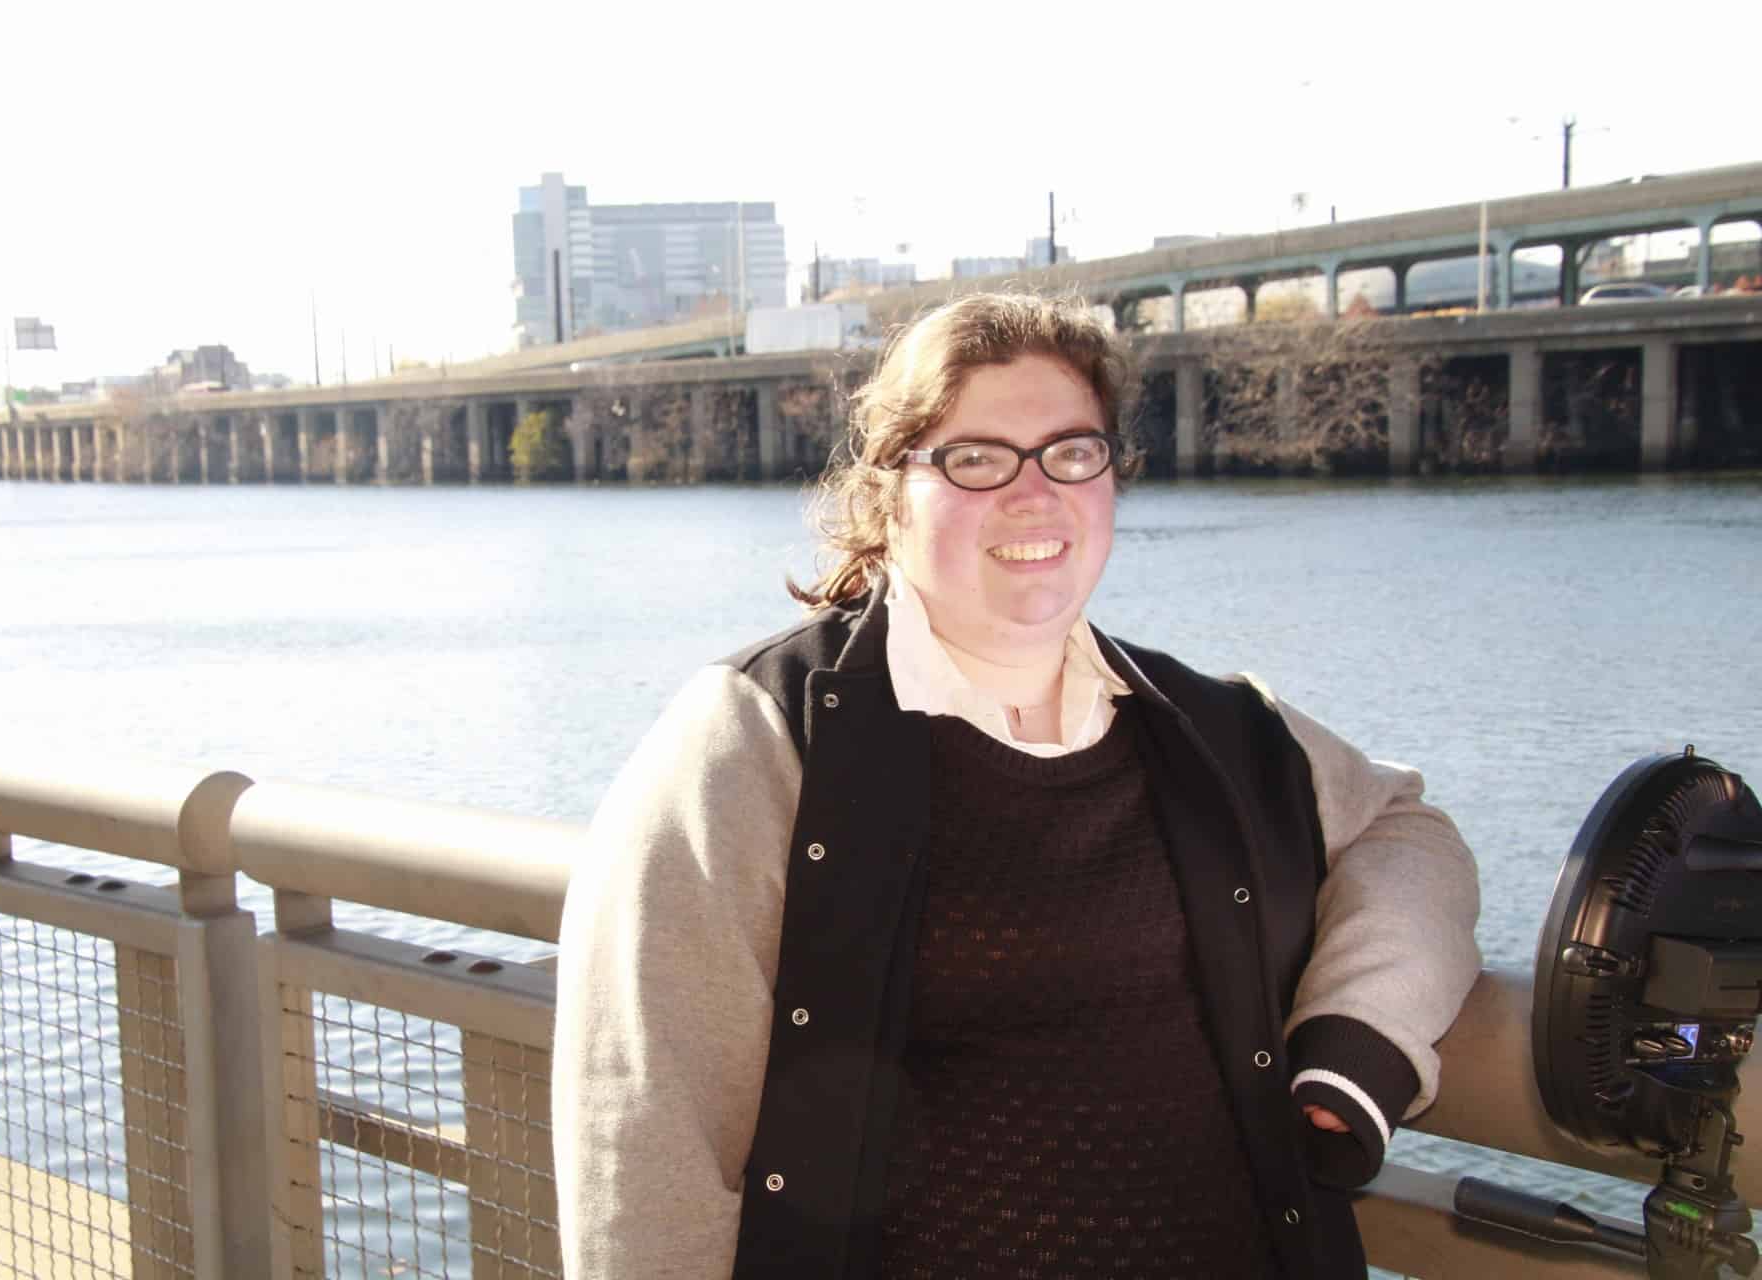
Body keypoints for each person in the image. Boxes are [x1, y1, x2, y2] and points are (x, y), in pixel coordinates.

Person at [554, 292, 1481, 1279]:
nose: (1035, 494)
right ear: (891, 489)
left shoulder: (1209, 727)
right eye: (976, 458)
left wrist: (1360, 1038)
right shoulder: (760, 736)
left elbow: (1408, 831)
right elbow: (645, 1140)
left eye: (1072, 452)